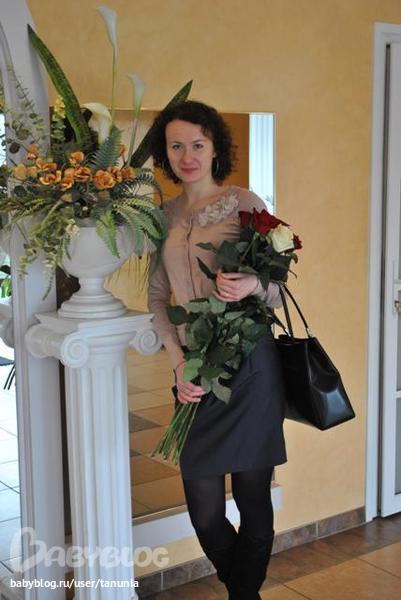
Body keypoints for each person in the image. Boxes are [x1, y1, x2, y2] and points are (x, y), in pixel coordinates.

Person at [148, 100, 287, 600]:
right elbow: (157, 298)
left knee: (253, 497)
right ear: (166, 153)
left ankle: (242, 595)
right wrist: (177, 362)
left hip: (251, 366)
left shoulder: (243, 202)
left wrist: (252, 284)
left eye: (197, 144)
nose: (187, 156)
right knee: (205, 512)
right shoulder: (162, 216)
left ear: (214, 149)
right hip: (194, 371)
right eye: (176, 146)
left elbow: (279, 286)